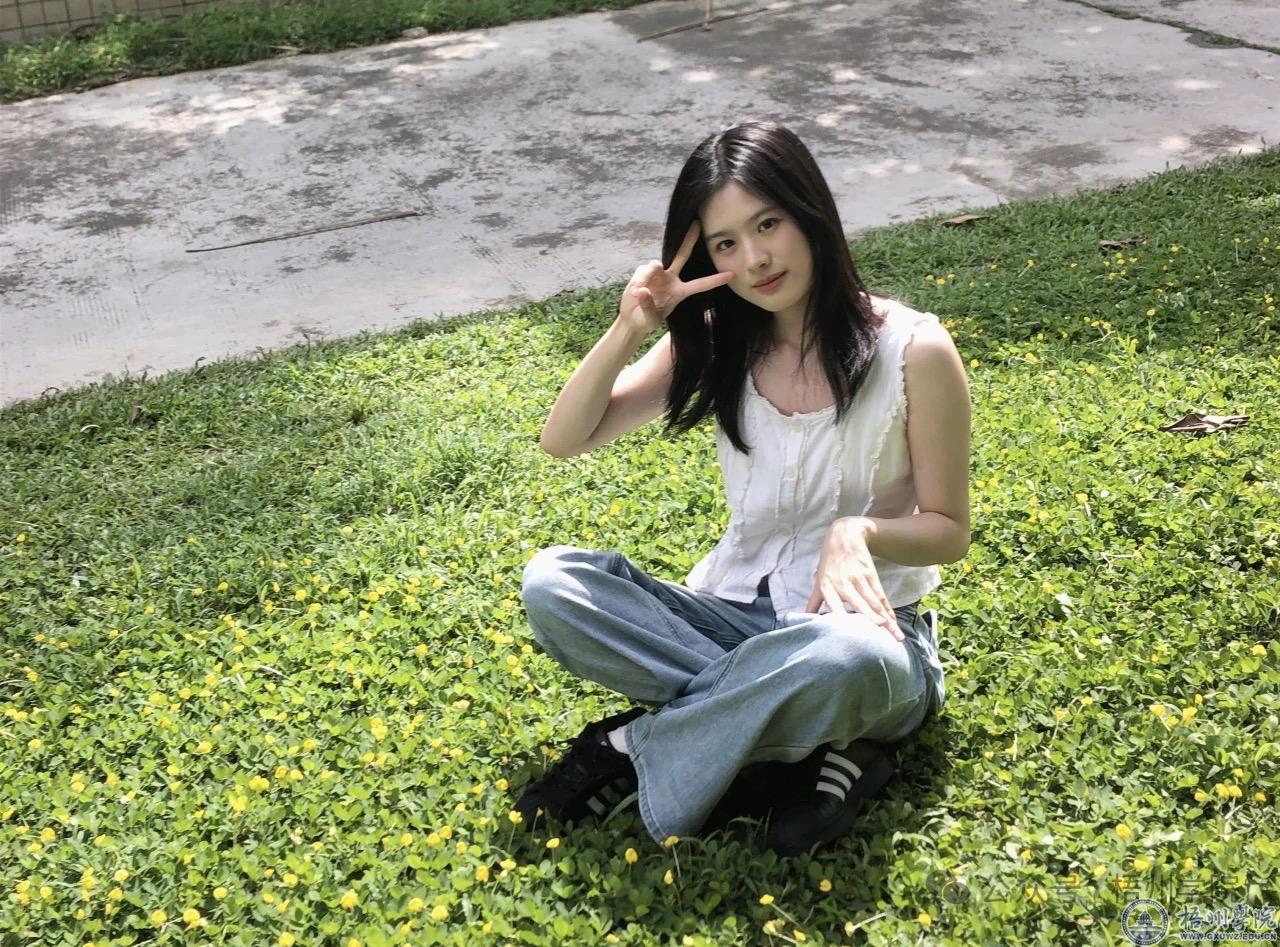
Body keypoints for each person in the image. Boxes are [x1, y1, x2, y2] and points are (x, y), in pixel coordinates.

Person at [514, 120, 971, 857]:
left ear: (810, 212)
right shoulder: (720, 338)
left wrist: (857, 531)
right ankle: (811, 746)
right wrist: (632, 327)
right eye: (725, 243)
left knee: (847, 663)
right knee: (552, 585)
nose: (754, 259)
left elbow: (949, 528)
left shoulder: (914, 349)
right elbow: (564, 438)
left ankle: (630, 746)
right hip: (730, 619)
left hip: (863, 634)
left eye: (768, 225)